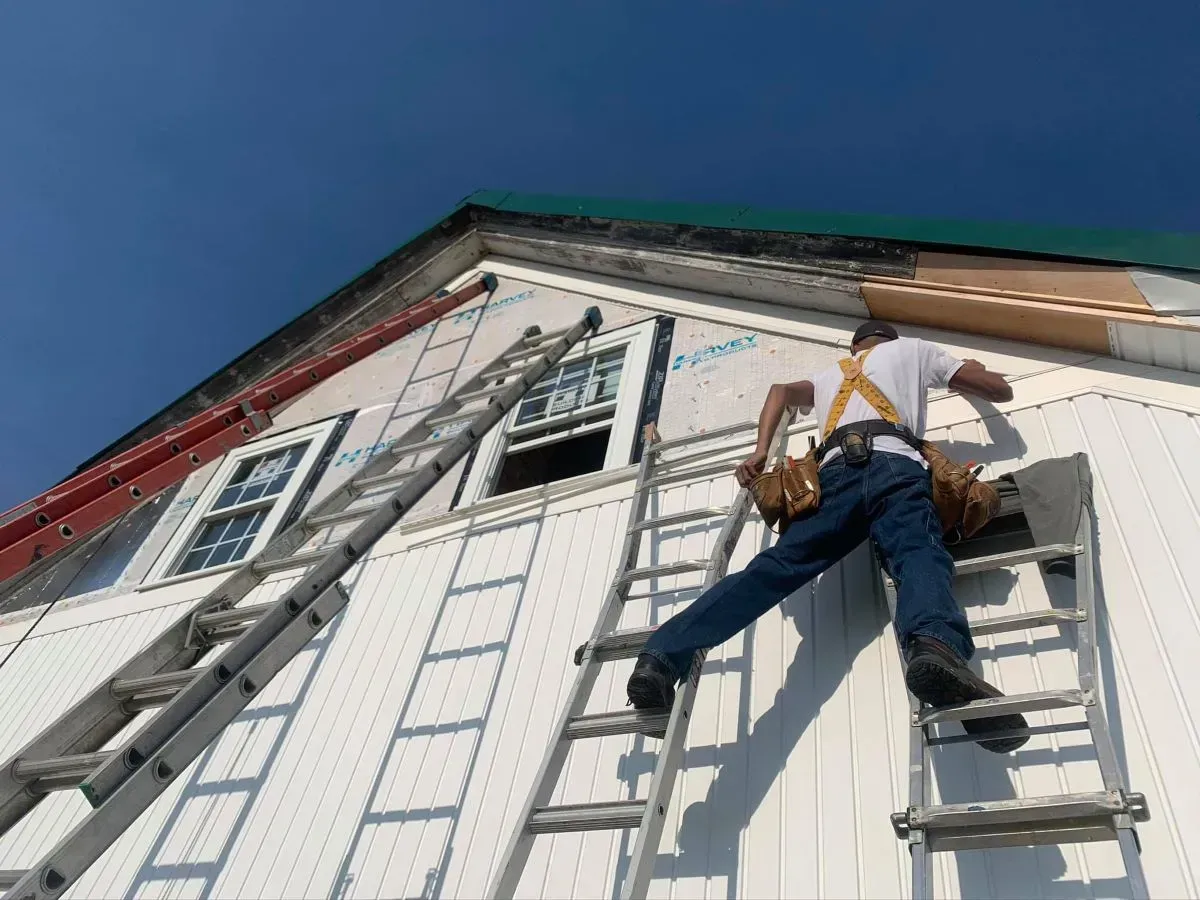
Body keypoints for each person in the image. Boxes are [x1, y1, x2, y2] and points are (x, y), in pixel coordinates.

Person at [627, 320, 1029, 753]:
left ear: (854, 345)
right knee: (917, 555)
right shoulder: (914, 351)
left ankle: (662, 656)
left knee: (772, 570)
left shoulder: (828, 375)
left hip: (831, 475)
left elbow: (779, 391)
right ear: (889, 341)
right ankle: (934, 646)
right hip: (895, 464)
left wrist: (761, 452)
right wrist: (976, 367)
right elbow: (997, 390)